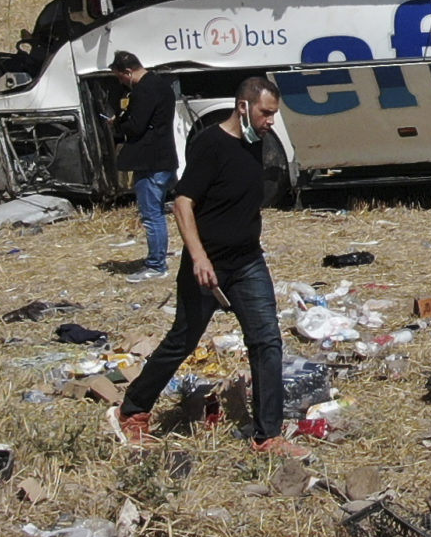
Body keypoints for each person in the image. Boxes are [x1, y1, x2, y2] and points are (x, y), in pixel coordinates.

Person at [114, 75, 301, 457]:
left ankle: (268, 436)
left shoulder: (258, 144)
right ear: (243, 107)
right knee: (182, 340)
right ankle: (132, 410)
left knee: (267, 342)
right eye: (266, 113)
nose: (270, 122)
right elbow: (183, 203)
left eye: (274, 115)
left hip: (249, 263)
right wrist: (198, 257)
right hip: (208, 266)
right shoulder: (210, 144)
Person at [109, 52, 177, 279]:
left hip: (150, 161)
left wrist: (118, 122)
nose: (121, 82)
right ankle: (159, 256)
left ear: (128, 72)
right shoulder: (162, 85)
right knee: (158, 212)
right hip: (164, 158)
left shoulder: (143, 91)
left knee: (152, 215)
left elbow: (136, 126)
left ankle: (156, 265)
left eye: (120, 78)